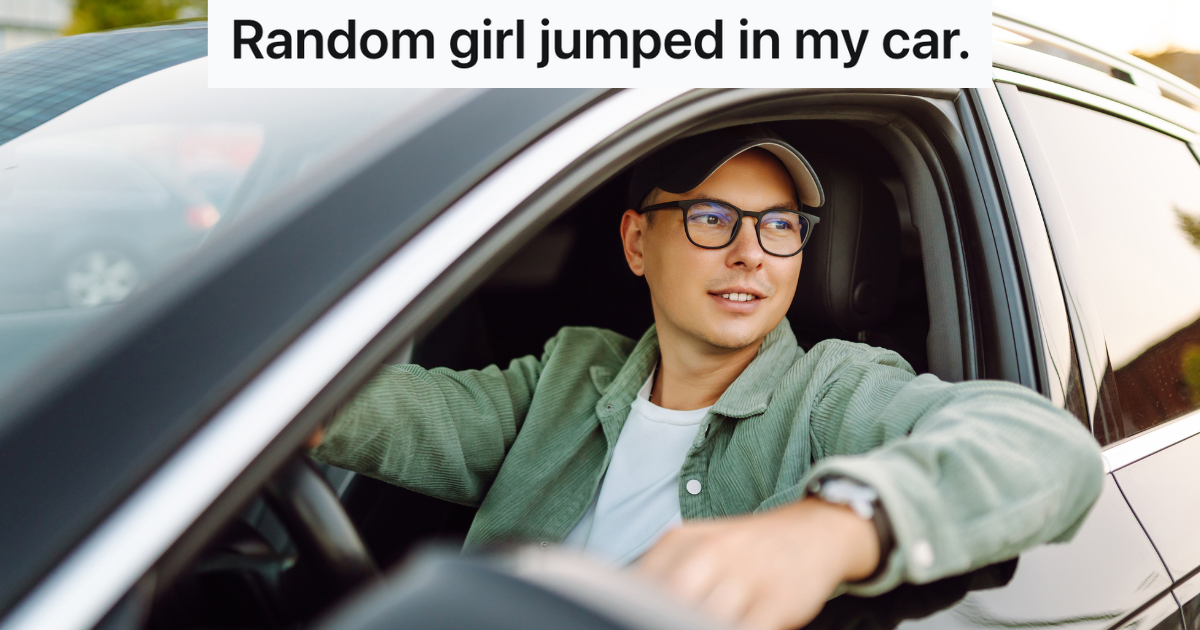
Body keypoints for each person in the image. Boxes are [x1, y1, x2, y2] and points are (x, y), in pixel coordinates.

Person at [309, 124, 1103, 630]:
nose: (751, 252)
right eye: (712, 218)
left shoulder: (832, 390)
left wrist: (825, 533)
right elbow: (377, 411)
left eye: (780, 226)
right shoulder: (568, 372)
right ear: (635, 243)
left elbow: (1045, 445)